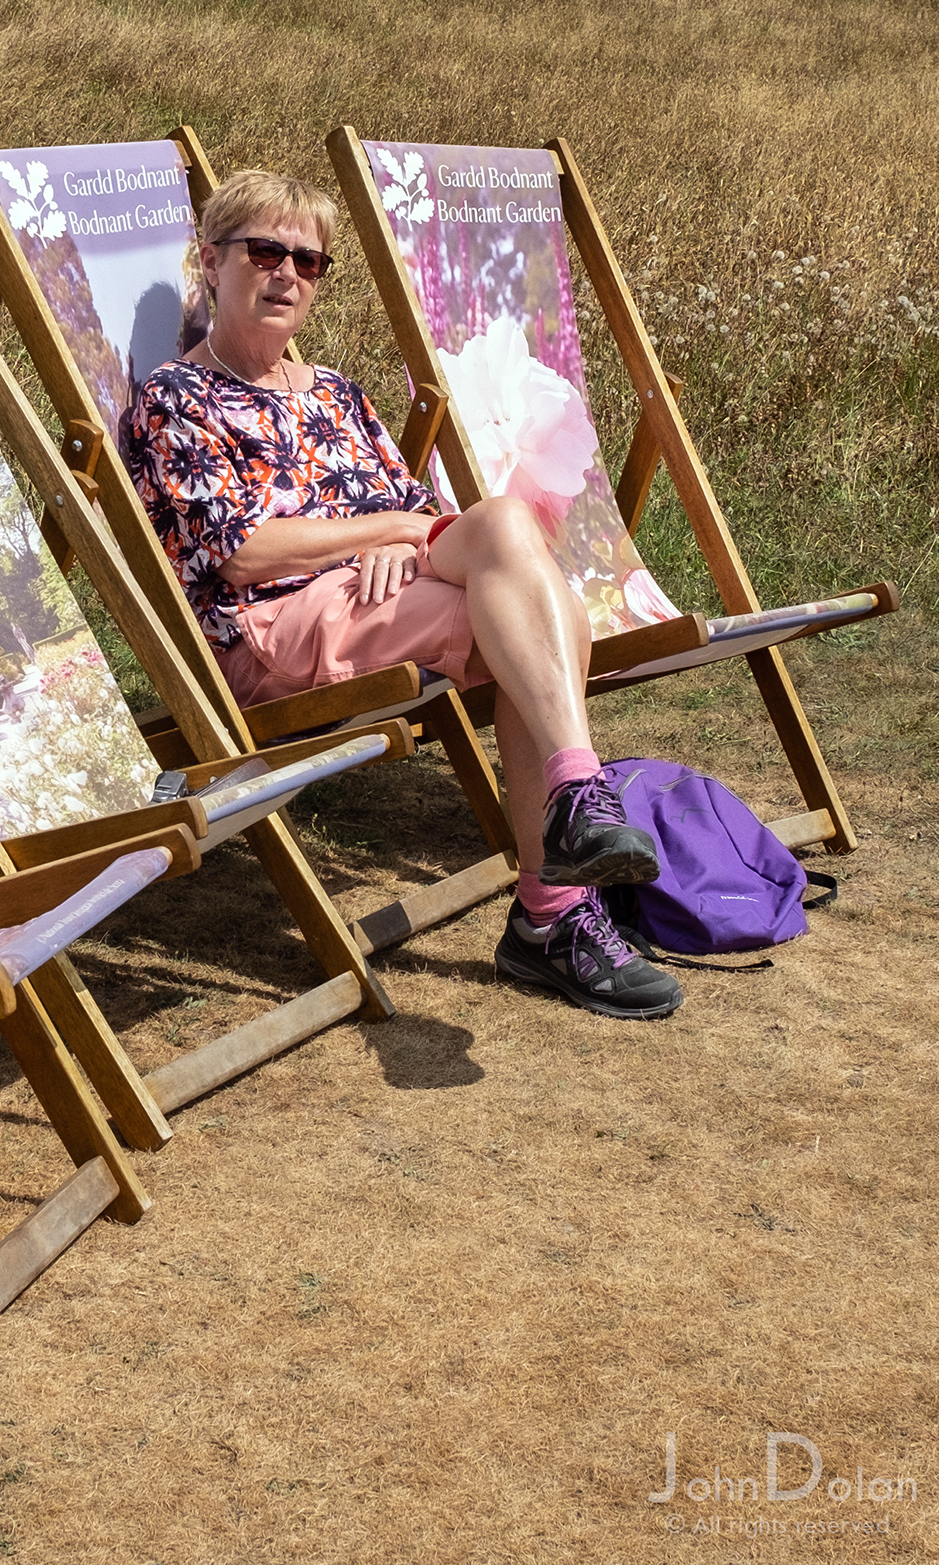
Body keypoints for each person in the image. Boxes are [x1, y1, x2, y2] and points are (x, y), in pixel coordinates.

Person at [123, 168, 682, 1021]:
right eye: (264, 251)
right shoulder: (176, 400)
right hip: (272, 627)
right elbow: (241, 553)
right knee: (537, 618)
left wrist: (405, 537)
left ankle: (573, 809)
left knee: (507, 538)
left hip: (381, 595)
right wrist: (383, 537)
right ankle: (555, 907)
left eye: (308, 263)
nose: (286, 274)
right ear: (212, 260)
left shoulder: (339, 392)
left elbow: (420, 510)